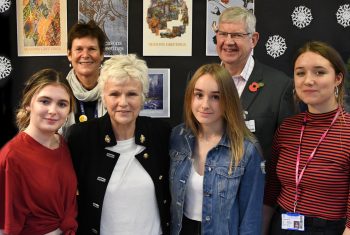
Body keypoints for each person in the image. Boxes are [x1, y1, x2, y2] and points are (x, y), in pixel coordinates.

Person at [66, 54, 171, 235]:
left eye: (131, 94)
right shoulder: (81, 137)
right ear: (103, 97)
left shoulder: (160, 133)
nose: (123, 103)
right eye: (114, 94)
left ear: (143, 97)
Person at [263, 41, 350, 235]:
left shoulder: (348, 131)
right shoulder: (288, 128)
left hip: (327, 229)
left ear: (337, 78)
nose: (308, 80)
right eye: (300, 73)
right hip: (282, 224)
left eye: (319, 72)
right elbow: (272, 188)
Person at [170, 63, 265, 235]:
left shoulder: (246, 149)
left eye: (215, 97)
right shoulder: (178, 137)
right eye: (198, 95)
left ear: (228, 100)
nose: (205, 104)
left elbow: (250, 219)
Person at [0, 69, 78, 235]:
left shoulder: (62, 144)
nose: (53, 110)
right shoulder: (12, 157)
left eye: (62, 104)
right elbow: (6, 228)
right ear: (28, 104)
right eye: (45, 101)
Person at [214, 6, 295, 161]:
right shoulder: (199, 80)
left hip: (258, 182)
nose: (228, 42)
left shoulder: (279, 85)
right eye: (223, 34)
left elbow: (288, 150)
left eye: (237, 35)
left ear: (253, 39)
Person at [61, 20, 107, 134]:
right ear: (69, 55)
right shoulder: (60, 92)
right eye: (79, 49)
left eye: (92, 49)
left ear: (101, 54)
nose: (85, 55)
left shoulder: (114, 90)